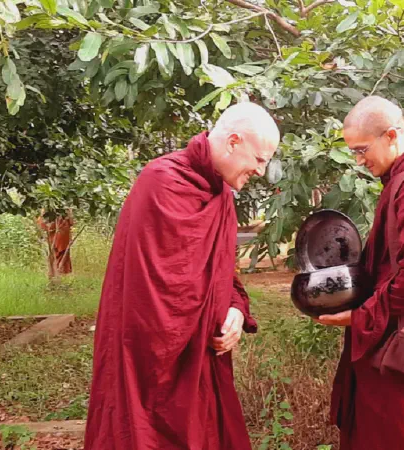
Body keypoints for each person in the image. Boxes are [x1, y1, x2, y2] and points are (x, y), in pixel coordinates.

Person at [84, 102, 280, 450]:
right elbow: (154, 292)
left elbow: (221, 272)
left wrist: (235, 310)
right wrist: (211, 316)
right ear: (234, 141)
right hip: (147, 364)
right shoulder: (161, 181)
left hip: (201, 360)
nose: (261, 171)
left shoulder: (220, 194)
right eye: (260, 159)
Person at [316, 96, 404, 449]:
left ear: (391, 135)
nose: (359, 161)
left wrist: (358, 317)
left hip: (401, 348)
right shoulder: (399, 181)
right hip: (383, 345)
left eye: (362, 150)